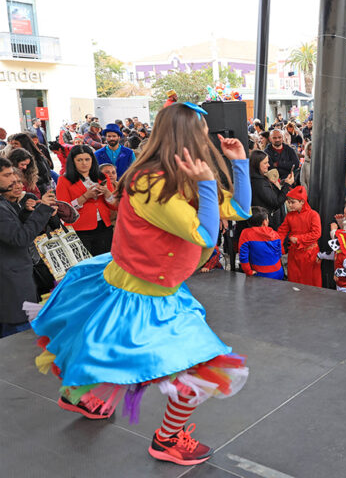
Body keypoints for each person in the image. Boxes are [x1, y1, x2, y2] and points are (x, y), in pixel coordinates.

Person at [28, 102, 251, 465]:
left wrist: (239, 163)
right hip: (138, 294)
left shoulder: (180, 176)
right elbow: (206, 236)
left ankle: (79, 396)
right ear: (186, 136)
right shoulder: (151, 183)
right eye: (202, 132)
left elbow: (239, 211)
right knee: (204, 364)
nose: (208, 138)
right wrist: (209, 183)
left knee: (109, 351)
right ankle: (167, 440)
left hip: (153, 287)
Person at [0, 157, 57, 337]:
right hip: (10, 287)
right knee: (18, 338)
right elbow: (19, 238)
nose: (13, 180)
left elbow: (13, 230)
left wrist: (26, 213)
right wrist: (43, 210)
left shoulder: (5, 204)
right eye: (7, 175)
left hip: (14, 282)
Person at [56, 145, 117, 256]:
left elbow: (115, 206)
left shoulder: (102, 177)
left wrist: (108, 193)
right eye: (79, 160)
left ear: (92, 160)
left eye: (87, 159)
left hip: (104, 227)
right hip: (80, 230)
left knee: (105, 263)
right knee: (87, 266)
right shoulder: (63, 180)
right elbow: (63, 210)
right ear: (73, 162)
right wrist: (84, 197)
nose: (84, 163)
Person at [278, 186, 322, 287]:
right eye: (289, 202)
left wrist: (299, 239)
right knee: (294, 282)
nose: (290, 205)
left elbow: (316, 233)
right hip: (294, 254)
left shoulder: (313, 215)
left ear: (302, 201)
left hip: (310, 255)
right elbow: (282, 231)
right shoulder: (290, 216)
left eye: (292, 202)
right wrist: (277, 246)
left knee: (310, 284)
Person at [238, 206, 284, 280]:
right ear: (265, 222)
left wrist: (248, 271)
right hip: (278, 273)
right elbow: (279, 253)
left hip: (260, 275)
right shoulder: (275, 234)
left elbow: (243, 257)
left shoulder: (246, 234)